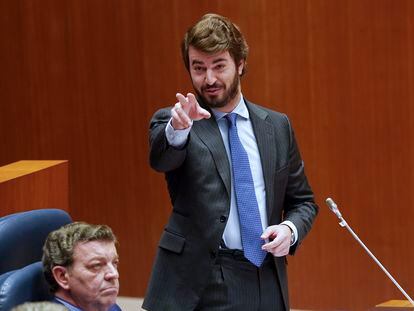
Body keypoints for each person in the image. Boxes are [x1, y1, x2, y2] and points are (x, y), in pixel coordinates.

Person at [143, 13, 318, 311]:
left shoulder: (276, 126)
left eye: (219, 66)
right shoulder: (179, 122)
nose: (209, 79)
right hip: (204, 278)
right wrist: (177, 131)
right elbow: (162, 158)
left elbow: (303, 201)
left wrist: (290, 229)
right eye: (198, 68)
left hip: (267, 275)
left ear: (240, 64)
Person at [42, 222, 120, 311]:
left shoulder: (108, 306)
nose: (114, 274)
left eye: (114, 262)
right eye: (96, 265)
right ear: (62, 276)